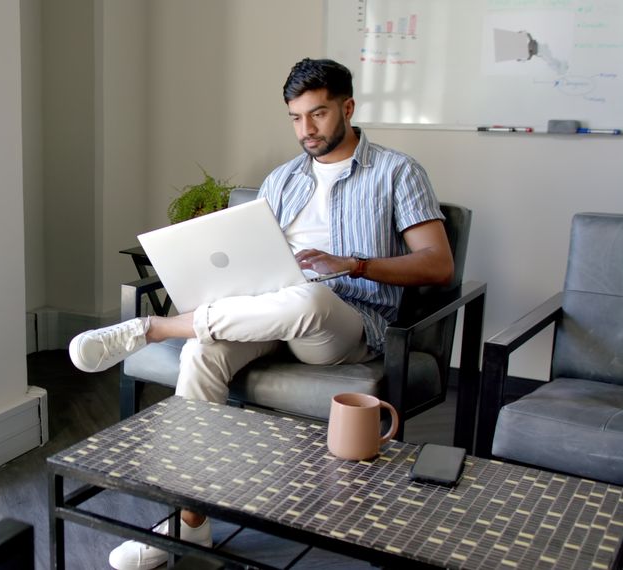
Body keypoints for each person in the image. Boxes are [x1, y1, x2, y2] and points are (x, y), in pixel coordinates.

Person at [68, 58, 455, 570]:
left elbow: (439, 264)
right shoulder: (282, 179)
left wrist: (353, 264)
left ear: (348, 107)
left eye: (317, 115)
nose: (306, 130)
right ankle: (186, 525)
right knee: (203, 353)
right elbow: (251, 258)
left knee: (312, 298)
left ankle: (153, 328)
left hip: (345, 322)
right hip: (266, 311)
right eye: (296, 118)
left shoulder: (398, 172)